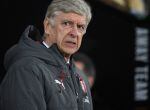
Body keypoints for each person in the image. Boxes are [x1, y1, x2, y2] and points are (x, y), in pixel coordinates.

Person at [0, 0, 93, 110]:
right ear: (48, 26)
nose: (74, 33)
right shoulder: (27, 69)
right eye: (66, 23)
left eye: (80, 27)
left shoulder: (81, 78)